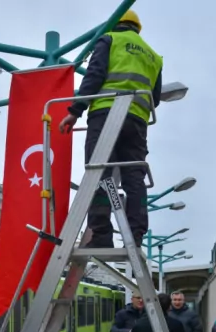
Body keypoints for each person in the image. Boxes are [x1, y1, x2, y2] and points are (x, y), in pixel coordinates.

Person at [59, 9, 163, 249]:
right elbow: (155, 98)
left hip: (106, 113)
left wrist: (75, 111)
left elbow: (94, 76)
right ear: (137, 28)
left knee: (99, 173)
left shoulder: (109, 39)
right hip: (137, 120)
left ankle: (101, 235)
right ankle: (135, 236)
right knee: (134, 177)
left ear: (116, 24)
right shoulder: (154, 57)